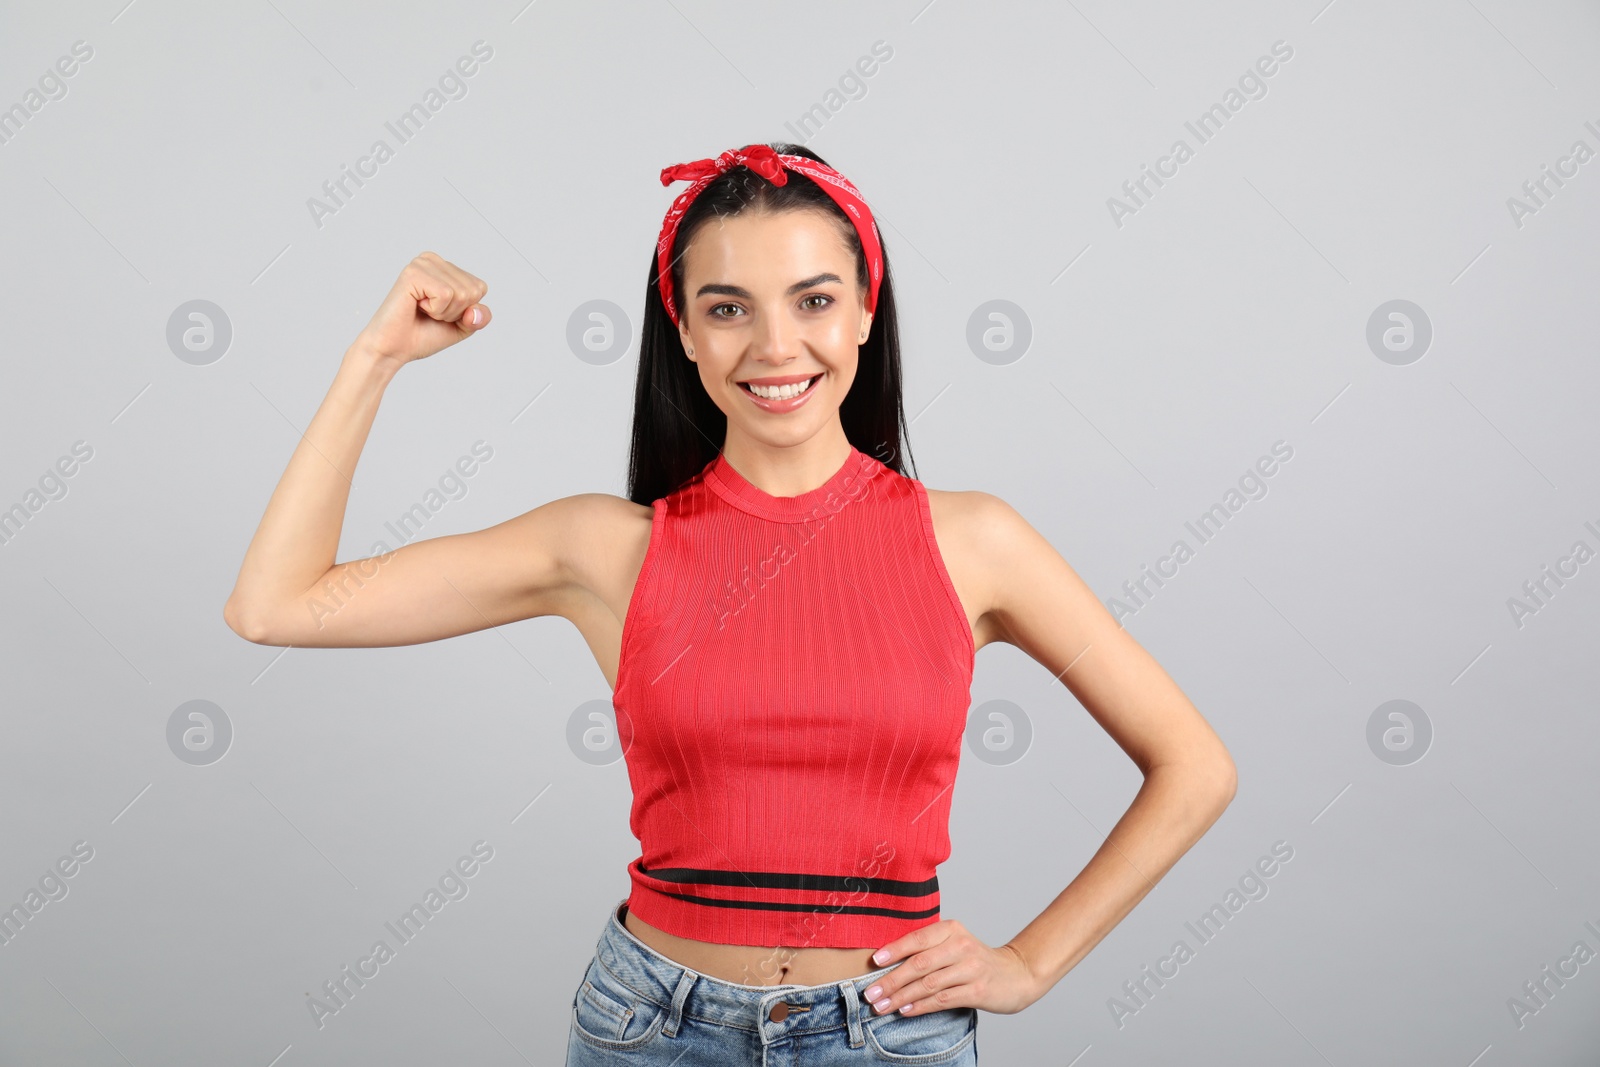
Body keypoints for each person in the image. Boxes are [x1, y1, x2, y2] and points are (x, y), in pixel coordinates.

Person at [224, 142, 1236, 1064]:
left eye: (813, 300)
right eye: (727, 307)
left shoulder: (971, 541)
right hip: (650, 1029)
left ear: (866, 310)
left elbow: (1194, 765)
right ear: (685, 330)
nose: (774, 344)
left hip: (885, 1033)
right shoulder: (606, 548)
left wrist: (1028, 962)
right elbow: (277, 604)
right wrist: (375, 360)